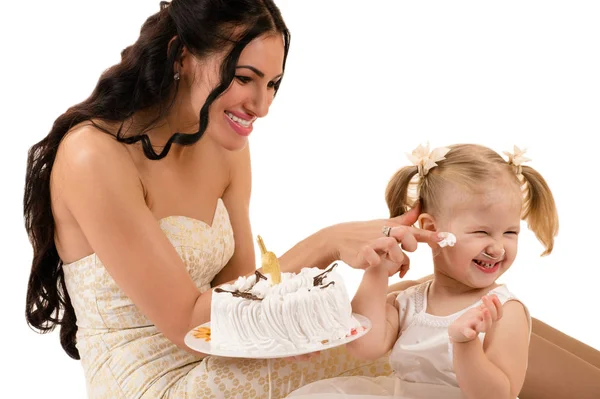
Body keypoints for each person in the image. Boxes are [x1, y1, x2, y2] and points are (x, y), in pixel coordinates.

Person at [22, 0, 600, 397]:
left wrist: (370, 270)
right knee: (408, 326)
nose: (261, 105)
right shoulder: (94, 157)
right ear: (180, 56)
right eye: (245, 77)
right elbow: (194, 327)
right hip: (166, 384)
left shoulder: (224, 146)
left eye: (272, 85)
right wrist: (324, 244)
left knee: (442, 301)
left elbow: (243, 299)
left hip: (220, 354)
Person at [286, 142, 557, 398]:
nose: (498, 248)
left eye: (510, 232)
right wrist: (377, 270)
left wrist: (465, 345)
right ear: (430, 229)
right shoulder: (409, 303)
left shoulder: (503, 311)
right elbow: (363, 347)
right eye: (481, 232)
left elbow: (499, 395)